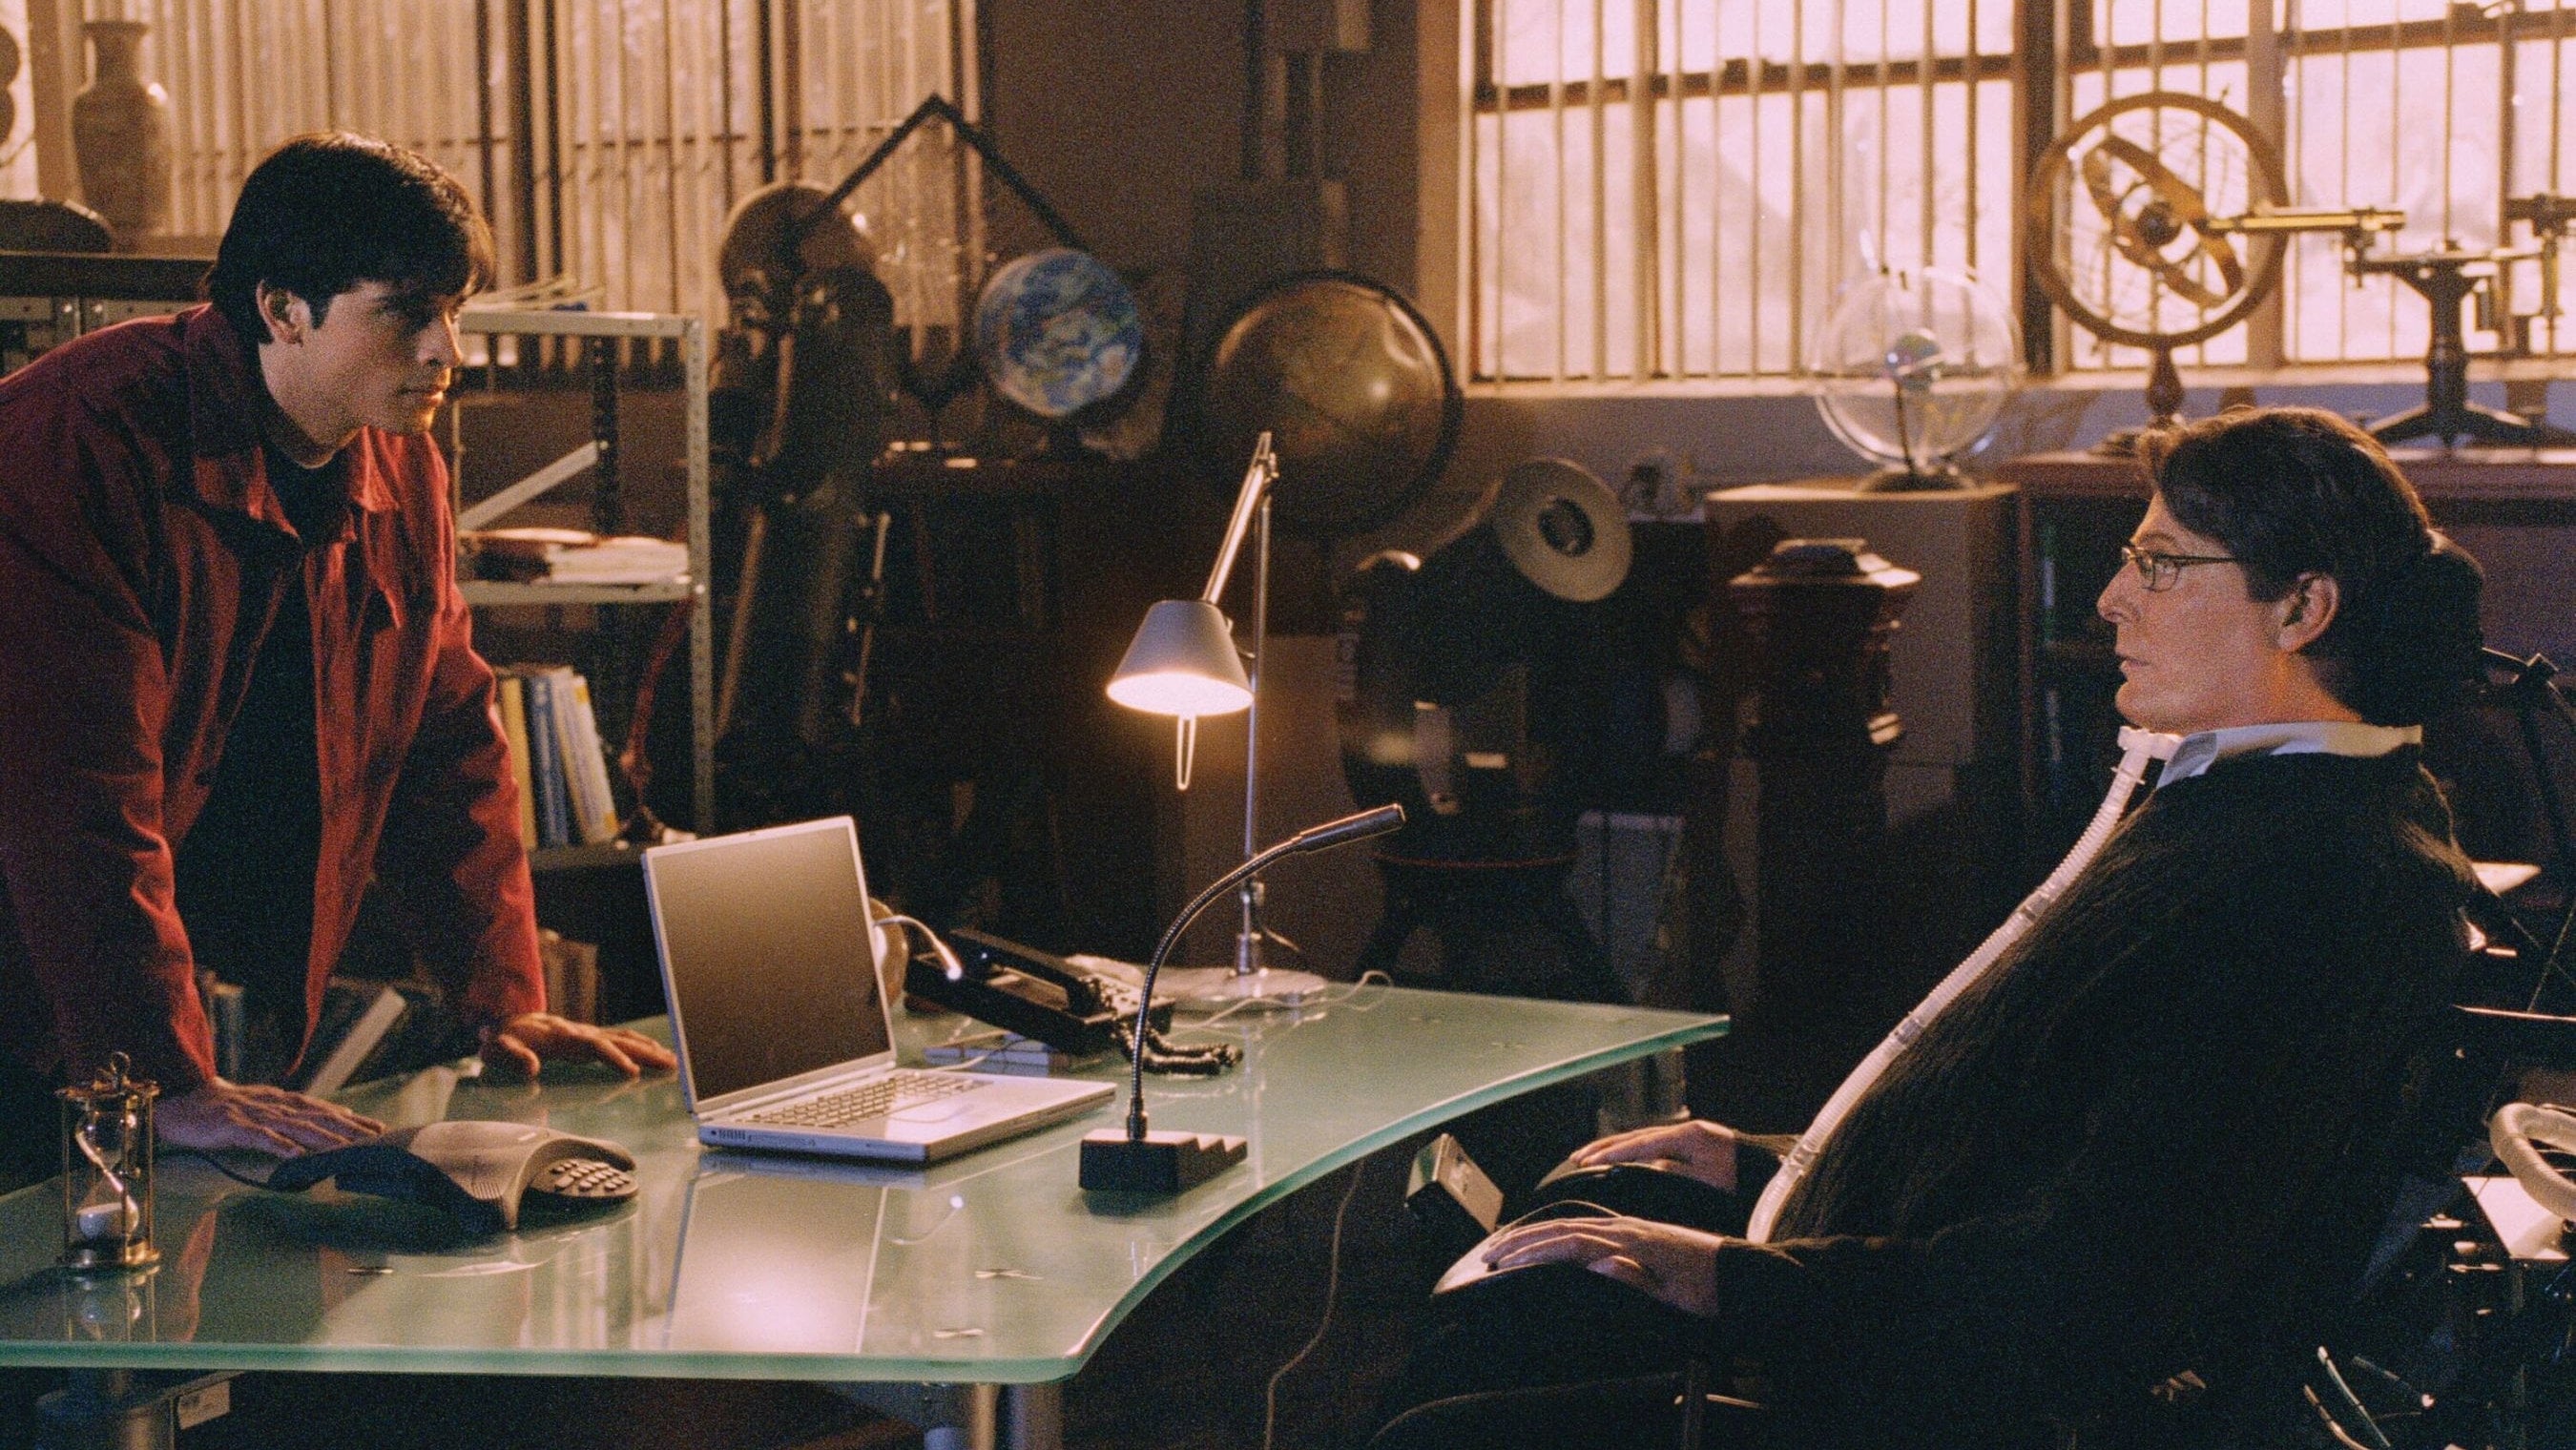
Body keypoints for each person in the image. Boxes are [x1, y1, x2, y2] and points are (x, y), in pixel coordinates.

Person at [1377, 405, 2487, 1450]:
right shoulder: (2267, 805)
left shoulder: (2309, 891)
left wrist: (1729, 1277)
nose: (2112, 598)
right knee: (1544, 1246)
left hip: (1947, 1401)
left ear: (2301, 608)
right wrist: (1771, 1163)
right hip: (1912, 1318)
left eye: (2159, 563)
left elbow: (2086, 1303)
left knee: (1449, 1409)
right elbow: (2049, 1147)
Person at [0, 133, 673, 1183]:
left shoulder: (403, 462)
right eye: (409, 313)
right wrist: (164, 1079)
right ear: (282, 309)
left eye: (457, 311)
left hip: (194, 975)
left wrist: (503, 1000)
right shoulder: (76, 441)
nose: (449, 350)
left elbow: (447, 734)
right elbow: (76, 794)